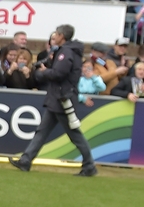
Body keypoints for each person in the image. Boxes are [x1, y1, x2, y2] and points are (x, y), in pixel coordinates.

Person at [9, 24, 97, 176]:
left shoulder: (66, 52)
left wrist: (44, 72)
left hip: (62, 98)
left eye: (56, 34)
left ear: (62, 36)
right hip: (57, 98)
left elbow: (59, 73)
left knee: (74, 134)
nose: (54, 36)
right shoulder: (66, 51)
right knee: (42, 131)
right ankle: (26, 160)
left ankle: (89, 165)